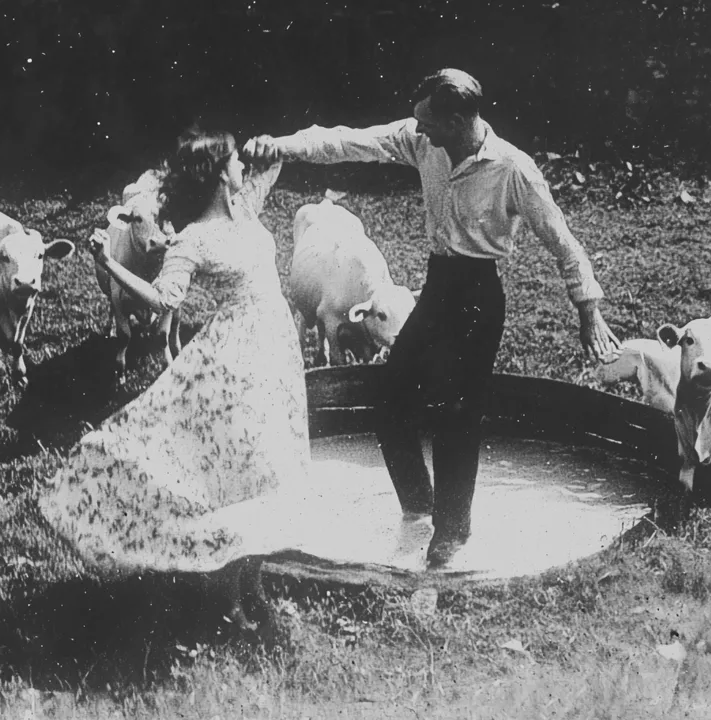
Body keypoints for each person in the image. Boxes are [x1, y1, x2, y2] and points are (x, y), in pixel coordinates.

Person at [244, 68, 621, 567]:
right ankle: (418, 507)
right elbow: (348, 142)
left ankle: (451, 530)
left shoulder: (513, 169)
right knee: (388, 399)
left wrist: (588, 310)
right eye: (418, 123)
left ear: (461, 118)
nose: (419, 131)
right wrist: (281, 146)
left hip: (479, 296)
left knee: (457, 416)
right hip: (436, 288)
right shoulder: (422, 141)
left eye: (429, 124)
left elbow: (563, 243)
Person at [38, 129, 310, 636]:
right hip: (234, 359)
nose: (241, 166)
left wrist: (270, 147)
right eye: (233, 161)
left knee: (269, 468)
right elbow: (163, 300)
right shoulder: (192, 239)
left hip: (274, 349)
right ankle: (228, 595)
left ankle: (250, 585)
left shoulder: (245, 204)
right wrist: (110, 263)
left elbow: (273, 163)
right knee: (239, 473)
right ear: (215, 174)